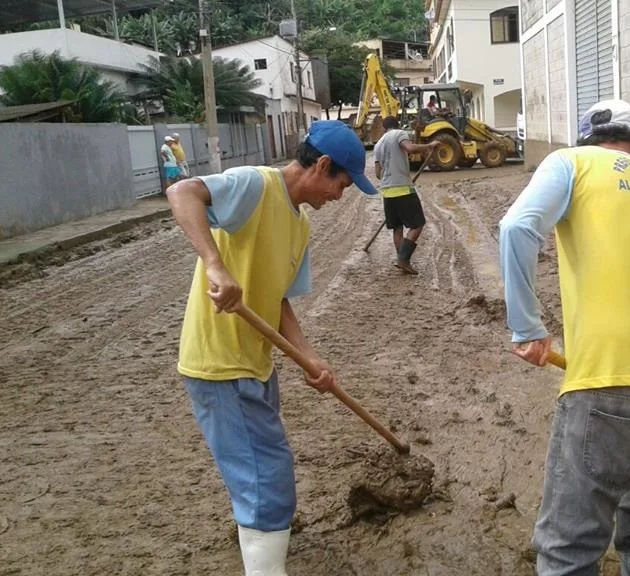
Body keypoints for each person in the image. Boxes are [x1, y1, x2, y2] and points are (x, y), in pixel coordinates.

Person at [165, 120, 377, 576]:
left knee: (255, 471)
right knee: (268, 477)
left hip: (255, 363)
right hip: (220, 363)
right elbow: (183, 193)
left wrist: (308, 356)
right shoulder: (255, 186)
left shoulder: (299, 226)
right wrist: (216, 265)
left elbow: (277, 299)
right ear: (321, 165)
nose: (340, 196)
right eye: (342, 184)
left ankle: (260, 543)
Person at [498, 100, 630, 576]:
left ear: (586, 138)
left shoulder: (572, 162)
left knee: (571, 548)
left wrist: (528, 327)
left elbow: (517, 227)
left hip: (608, 384)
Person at [373, 116, 438, 274]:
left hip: (387, 191)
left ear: (384, 127)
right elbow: (409, 148)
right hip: (402, 188)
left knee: (397, 227)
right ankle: (403, 259)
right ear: (397, 125)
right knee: (417, 224)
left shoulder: (378, 144)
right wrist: (429, 145)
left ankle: (402, 260)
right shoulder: (399, 133)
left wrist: (391, 174)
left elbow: (377, 173)